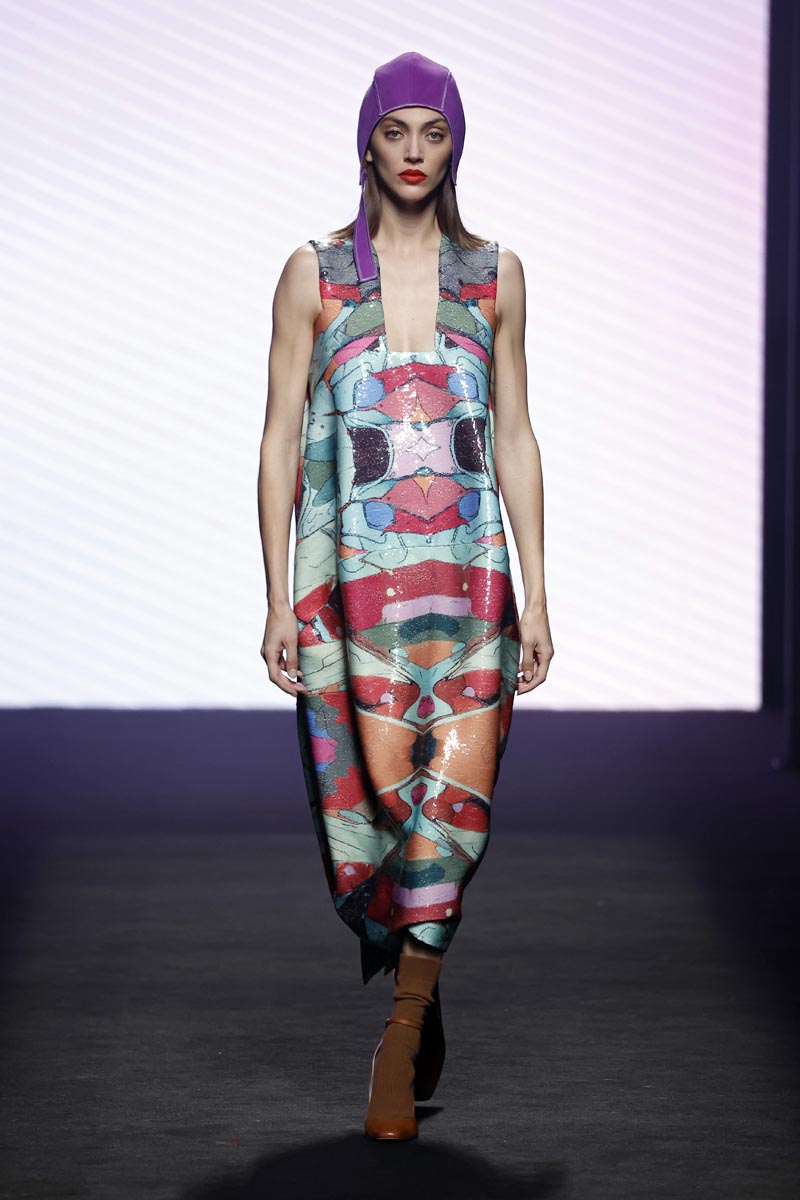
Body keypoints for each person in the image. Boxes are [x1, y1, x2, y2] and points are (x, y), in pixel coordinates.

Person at [258, 50, 554, 1140]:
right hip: (350, 594)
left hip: (473, 588)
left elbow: (514, 435)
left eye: (434, 132)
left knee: (452, 799)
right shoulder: (317, 275)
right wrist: (274, 596)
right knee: (379, 807)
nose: (415, 152)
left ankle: (401, 1027)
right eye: (396, 131)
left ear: (455, 145)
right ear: (367, 143)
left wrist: (538, 591)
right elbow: (280, 437)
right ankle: (415, 961)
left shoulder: (493, 276)